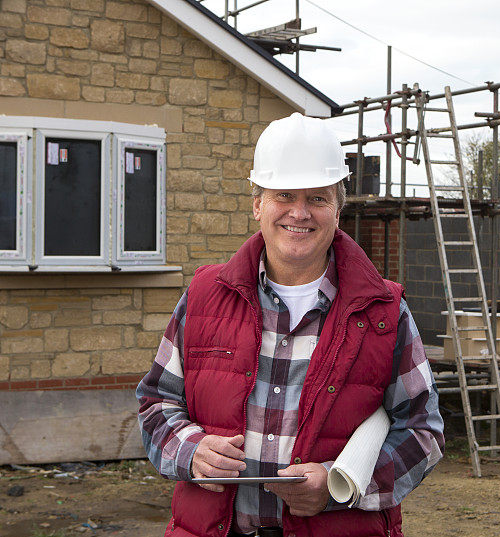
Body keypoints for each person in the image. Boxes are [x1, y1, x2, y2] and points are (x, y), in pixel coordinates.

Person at [137, 113, 445, 537]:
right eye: (284, 195)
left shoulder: (383, 312)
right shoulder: (205, 295)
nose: (299, 213)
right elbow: (156, 404)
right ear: (257, 204)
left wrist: (343, 484)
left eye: (318, 198)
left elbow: (422, 432)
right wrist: (190, 452)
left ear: (338, 209)